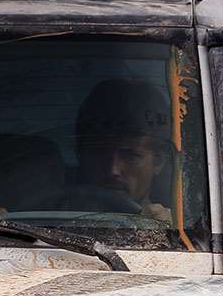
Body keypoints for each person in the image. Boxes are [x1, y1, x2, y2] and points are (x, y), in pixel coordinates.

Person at [65, 78, 175, 224]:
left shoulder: (180, 230)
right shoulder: (43, 219)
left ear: (158, 161)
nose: (113, 170)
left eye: (130, 156)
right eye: (100, 154)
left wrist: (167, 229)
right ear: (79, 154)